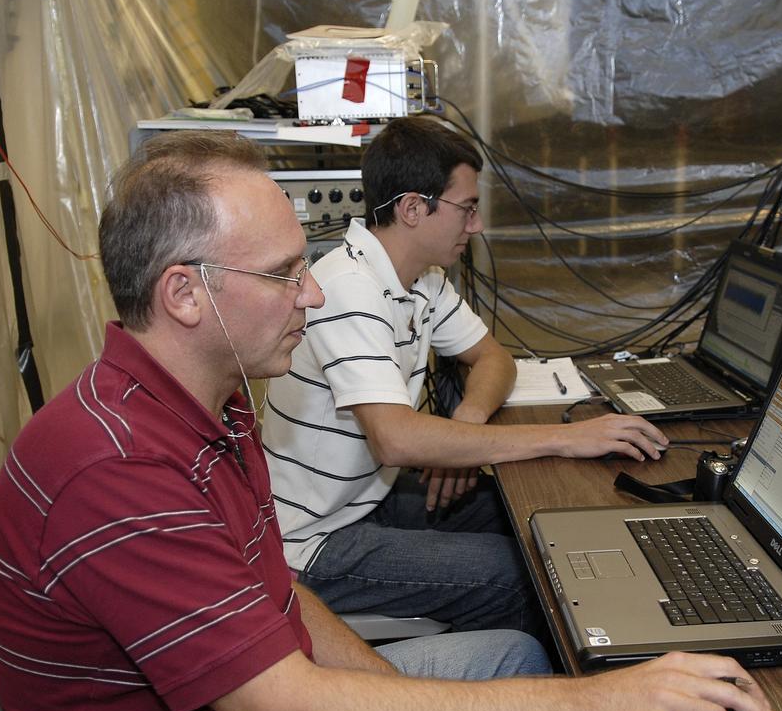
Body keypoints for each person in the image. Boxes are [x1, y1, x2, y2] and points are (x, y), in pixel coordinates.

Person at [0, 130, 782, 711]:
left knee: (512, 656)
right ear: (185, 295)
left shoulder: (209, 409)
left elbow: (277, 593)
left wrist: (399, 708)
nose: (314, 292)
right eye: (284, 273)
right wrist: (599, 704)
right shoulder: (114, 469)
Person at [262, 116, 668, 632]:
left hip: (366, 500)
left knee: (540, 526)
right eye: (467, 209)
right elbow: (395, 441)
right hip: (312, 541)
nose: (475, 226)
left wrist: (469, 421)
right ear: (413, 208)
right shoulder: (346, 288)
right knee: (534, 577)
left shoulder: (421, 281)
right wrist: (567, 439)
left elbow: (494, 358)